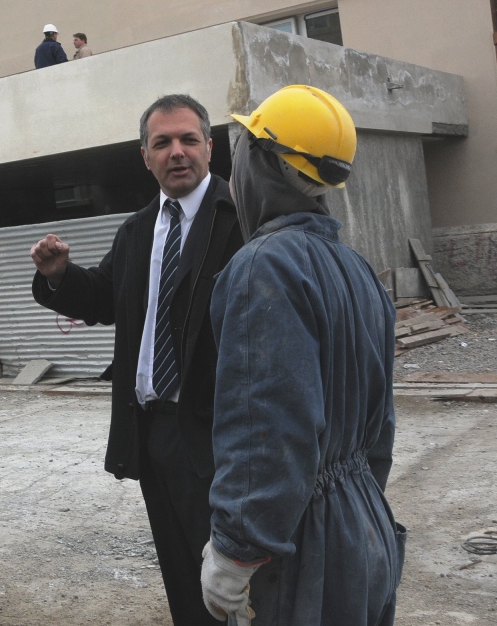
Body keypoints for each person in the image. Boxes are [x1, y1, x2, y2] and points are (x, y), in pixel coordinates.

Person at [30, 94, 243, 626]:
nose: (177, 152)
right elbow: (104, 299)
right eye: (162, 142)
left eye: (189, 139)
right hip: (153, 433)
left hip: (218, 434)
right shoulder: (138, 229)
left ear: (210, 148)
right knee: (181, 572)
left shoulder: (241, 219)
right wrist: (60, 276)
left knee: (233, 578)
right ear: (144, 155)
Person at [203, 85, 403, 626]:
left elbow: (267, 427)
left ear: (266, 164)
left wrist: (236, 548)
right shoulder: (356, 267)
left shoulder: (261, 267)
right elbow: (381, 424)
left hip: (303, 545)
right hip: (365, 526)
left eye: (242, 149)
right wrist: (353, 509)